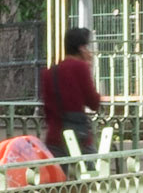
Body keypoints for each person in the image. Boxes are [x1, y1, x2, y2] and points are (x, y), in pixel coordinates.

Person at [41, 26, 102, 155]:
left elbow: (47, 109)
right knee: (92, 172)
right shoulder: (80, 67)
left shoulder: (49, 73)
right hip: (77, 136)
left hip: (54, 136)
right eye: (87, 47)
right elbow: (93, 102)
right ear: (81, 48)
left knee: (58, 174)